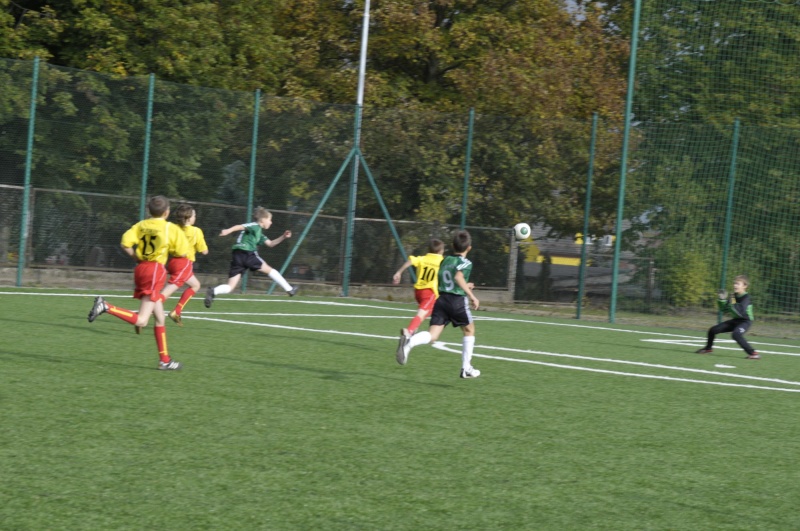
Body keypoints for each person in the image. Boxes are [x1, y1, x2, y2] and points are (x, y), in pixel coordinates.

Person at [87, 195, 191, 370]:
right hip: (155, 271)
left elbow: (125, 243)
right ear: (167, 212)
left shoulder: (141, 225)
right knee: (142, 321)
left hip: (141, 268)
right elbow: (182, 252)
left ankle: (165, 360)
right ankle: (106, 306)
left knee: (160, 318)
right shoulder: (169, 228)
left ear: (149, 211)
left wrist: (136, 257)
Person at [396, 230, 481, 378]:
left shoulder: (445, 260)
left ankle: (410, 342)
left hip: (441, 300)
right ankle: (466, 368)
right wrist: (472, 295)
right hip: (456, 301)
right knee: (469, 330)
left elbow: (447, 279)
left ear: (452, 246)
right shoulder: (466, 262)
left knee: (433, 335)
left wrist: (464, 285)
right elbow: (458, 277)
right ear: (469, 248)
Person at [204, 207, 297, 307]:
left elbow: (271, 244)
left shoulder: (259, 233)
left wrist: (283, 236)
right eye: (270, 219)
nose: (271, 222)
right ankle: (289, 289)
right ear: (262, 220)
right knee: (270, 270)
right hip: (247, 253)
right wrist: (228, 230)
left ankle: (213, 291)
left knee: (230, 287)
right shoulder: (254, 226)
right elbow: (240, 226)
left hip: (237, 256)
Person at [161, 203, 209, 326]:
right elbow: (204, 251)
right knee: (165, 293)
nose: (195, 217)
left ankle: (177, 311)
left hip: (172, 261)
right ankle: (144, 313)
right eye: (194, 215)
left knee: (196, 285)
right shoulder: (196, 231)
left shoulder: (173, 228)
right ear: (188, 218)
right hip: (184, 264)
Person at [696, 274, 758, 359]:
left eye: (737, 284)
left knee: (736, 334)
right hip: (736, 320)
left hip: (745, 321)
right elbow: (725, 309)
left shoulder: (746, 297)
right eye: (734, 283)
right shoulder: (733, 296)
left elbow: (740, 311)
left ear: (745, 286)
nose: (735, 285)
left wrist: (732, 302)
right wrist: (722, 300)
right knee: (713, 330)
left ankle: (753, 353)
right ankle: (708, 348)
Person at [392, 238, 445, 338]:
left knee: (430, 310)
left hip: (418, 292)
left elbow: (411, 261)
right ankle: (409, 330)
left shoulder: (423, 258)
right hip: (429, 292)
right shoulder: (441, 261)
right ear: (440, 251)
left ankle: (413, 329)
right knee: (421, 314)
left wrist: (399, 272)